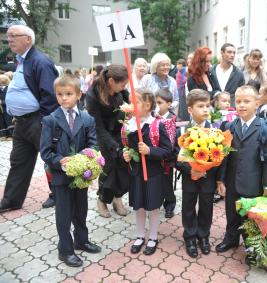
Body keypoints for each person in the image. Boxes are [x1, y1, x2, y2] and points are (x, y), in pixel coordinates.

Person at [40, 75, 101, 267]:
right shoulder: (50, 120)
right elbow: (45, 151)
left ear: (79, 95)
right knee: (64, 215)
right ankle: (65, 249)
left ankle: (81, 240)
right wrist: (61, 161)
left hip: (81, 176)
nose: (64, 98)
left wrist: (85, 160)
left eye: (68, 94)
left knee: (81, 210)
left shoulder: (87, 118)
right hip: (60, 176)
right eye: (59, 94)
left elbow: (93, 144)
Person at [0, 25, 59, 213]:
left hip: (38, 121)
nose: (9, 40)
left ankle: (59, 195)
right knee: (18, 161)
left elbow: (51, 96)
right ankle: (11, 200)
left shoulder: (40, 61)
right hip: (22, 122)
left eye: (13, 36)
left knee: (51, 160)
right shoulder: (21, 61)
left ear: (28, 39)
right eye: (8, 36)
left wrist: (42, 121)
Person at [215, 85, 267, 262]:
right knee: (231, 212)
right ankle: (231, 238)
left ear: (257, 103)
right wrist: (220, 180)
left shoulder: (266, 129)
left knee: (250, 216)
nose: (241, 105)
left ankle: (251, 245)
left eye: (246, 101)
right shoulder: (229, 126)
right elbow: (224, 156)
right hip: (232, 180)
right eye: (238, 101)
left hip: (253, 182)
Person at [123, 89, 172, 255]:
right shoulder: (128, 125)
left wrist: (150, 151)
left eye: (134, 102)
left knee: (152, 206)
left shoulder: (157, 125)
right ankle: (139, 235)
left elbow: (167, 151)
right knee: (139, 206)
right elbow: (125, 146)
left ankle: (153, 236)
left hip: (153, 174)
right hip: (136, 174)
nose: (130, 106)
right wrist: (126, 155)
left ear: (147, 105)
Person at [175, 89, 219, 258]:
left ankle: (203, 236)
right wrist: (191, 170)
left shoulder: (215, 130)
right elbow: (176, 157)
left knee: (207, 206)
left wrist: (207, 170)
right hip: (189, 177)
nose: (206, 109)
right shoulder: (182, 131)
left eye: (208, 105)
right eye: (201, 106)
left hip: (208, 178)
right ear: (190, 110)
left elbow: (220, 155)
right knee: (188, 207)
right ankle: (190, 237)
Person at [85, 64, 129, 218]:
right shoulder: (92, 95)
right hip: (102, 133)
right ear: (111, 81)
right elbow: (97, 126)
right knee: (108, 167)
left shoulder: (121, 90)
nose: (125, 87)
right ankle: (102, 199)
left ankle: (117, 197)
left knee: (122, 166)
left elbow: (130, 103)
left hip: (119, 131)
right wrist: (113, 146)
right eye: (122, 84)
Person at [155, 89, 177, 218]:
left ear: (169, 104)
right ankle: (156, 203)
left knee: (167, 184)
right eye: (155, 102)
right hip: (156, 156)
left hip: (168, 159)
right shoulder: (153, 118)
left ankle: (170, 205)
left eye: (160, 102)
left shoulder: (174, 119)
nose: (157, 105)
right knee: (156, 183)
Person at [0, 74, 13, 140]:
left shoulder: (9, 88)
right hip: (1, 109)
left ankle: (11, 135)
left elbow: (11, 99)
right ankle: (3, 135)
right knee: (1, 122)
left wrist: (2, 102)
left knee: (9, 121)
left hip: (7, 107)